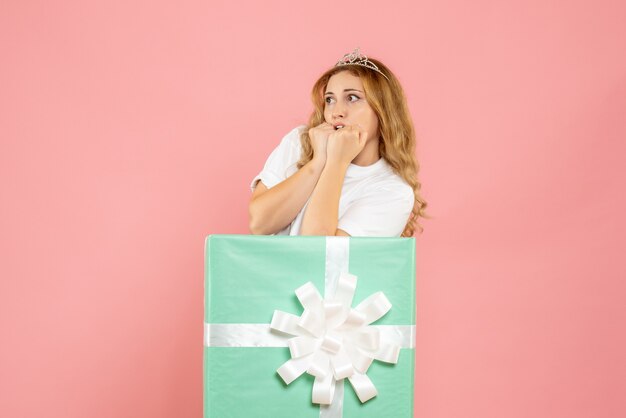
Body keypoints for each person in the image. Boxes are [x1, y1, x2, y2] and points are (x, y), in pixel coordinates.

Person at [249, 48, 429, 237]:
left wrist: (337, 163)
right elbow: (259, 224)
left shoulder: (393, 191)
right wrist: (318, 161)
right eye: (330, 99)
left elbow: (319, 252)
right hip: (268, 267)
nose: (337, 112)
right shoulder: (301, 141)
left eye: (352, 98)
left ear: (383, 111)